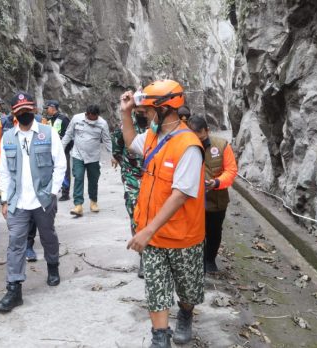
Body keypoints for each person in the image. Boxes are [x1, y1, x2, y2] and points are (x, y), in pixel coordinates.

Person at [120, 80, 205, 347]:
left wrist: (147, 230)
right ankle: (159, 337)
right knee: (156, 288)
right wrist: (125, 113)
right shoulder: (153, 136)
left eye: (146, 110)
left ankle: (186, 314)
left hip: (183, 237)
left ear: (165, 109)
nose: (142, 113)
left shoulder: (189, 146)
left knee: (188, 290)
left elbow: (180, 195)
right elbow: (132, 141)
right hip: (153, 236)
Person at [0, 92, 66, 313]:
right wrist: (5, 200)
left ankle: (53, 266)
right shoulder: (7, 137)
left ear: (34, 110)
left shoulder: (48, 133)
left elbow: (60, 164)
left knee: (48, 236)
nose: (25, 113)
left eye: (28, 109)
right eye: (20, 110)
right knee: (16, 243)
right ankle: (14, 289)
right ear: (14, 113)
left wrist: (53, 192)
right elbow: (4, 172)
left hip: (43, 199)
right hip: (17, 201)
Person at [0, 110, 47, 262]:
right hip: (13, 178)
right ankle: (17, 247)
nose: (23, 112)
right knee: (16, 215)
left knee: (33, 216)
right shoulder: (5, 123)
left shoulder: (40, 121)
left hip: (35, 180)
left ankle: (29, 245)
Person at [186, 114, 237, 274]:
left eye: (199, 134)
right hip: (191, 199)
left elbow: (231, 170)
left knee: (214, 231)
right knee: (194, 231)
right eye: (192, 135)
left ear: (206, 130)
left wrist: (216, 182)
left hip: (216, 200)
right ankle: (195, 259)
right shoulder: (184, 146)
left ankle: (209, 260)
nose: (196, 139)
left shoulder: (221, 146)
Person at [111, 105, 149, 278]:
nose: (142, 113)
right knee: (136, 214)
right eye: (138, 110)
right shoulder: (126, 126)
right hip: (132, 176)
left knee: (155, 214)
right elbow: (117, 148)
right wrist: (125, 168)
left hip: (153, 176)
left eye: (144, 109)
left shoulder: (155, 124)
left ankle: (157, 252)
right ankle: (143, 257)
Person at [61, 105, 112, 216]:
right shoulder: (76, 119)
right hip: (78, 155)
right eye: (91, 118)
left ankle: (93, 202)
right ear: (87, 114)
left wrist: (113, 155)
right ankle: (78, 205)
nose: (93, 120)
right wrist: (60, 149)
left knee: (93, 180)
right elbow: (68, 134)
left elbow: (107, 140)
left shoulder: (102, 123)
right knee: (78, 177)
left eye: (95, 118)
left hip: (94, 157)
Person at [44, 100, 72, 201]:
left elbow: (69, 135)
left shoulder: (63, 119)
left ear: (53, 108)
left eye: (47, 108)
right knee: (52, 171)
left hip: (63, 150)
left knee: (64, 170)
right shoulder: (48, 120)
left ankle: (65, 193)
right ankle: (55, 190)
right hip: (50, 150)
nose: (47, 110)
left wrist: (66, 148)